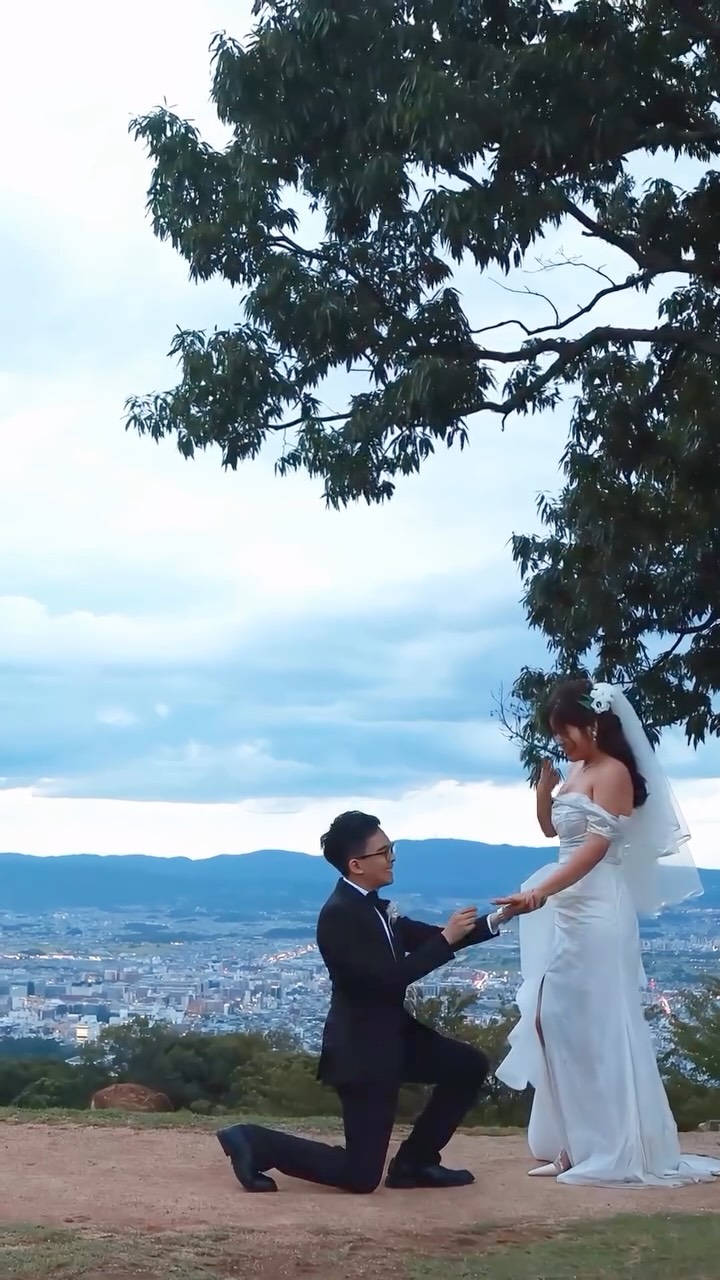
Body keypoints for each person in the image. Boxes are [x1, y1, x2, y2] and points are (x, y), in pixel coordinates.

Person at [217, 809, 517, 1194]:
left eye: (392, 848)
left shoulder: (373, 906)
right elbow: (384, 982)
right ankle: (254, 1141)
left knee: (467, 1066)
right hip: (362, 1052)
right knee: (360, 1176)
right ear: (356, 864)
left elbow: (431, 937)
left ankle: (415, 1161)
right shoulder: (339, 915)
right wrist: (446, 939)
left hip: (396, 1039)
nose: (392, 857)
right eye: (384, 851)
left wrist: (503, 917)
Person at [494, 678, 720, 1187]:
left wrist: (539, 893)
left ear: (593, 723)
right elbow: (555, 833)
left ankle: (613, 1145)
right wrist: (543, 795)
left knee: (597, 1025)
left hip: (598, 909)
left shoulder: (615, 772)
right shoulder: (577, 768)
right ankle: (573, 1142)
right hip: (568, 903)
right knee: (554, 1019)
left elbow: (594, 850)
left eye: (565, 731)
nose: (561, 742)